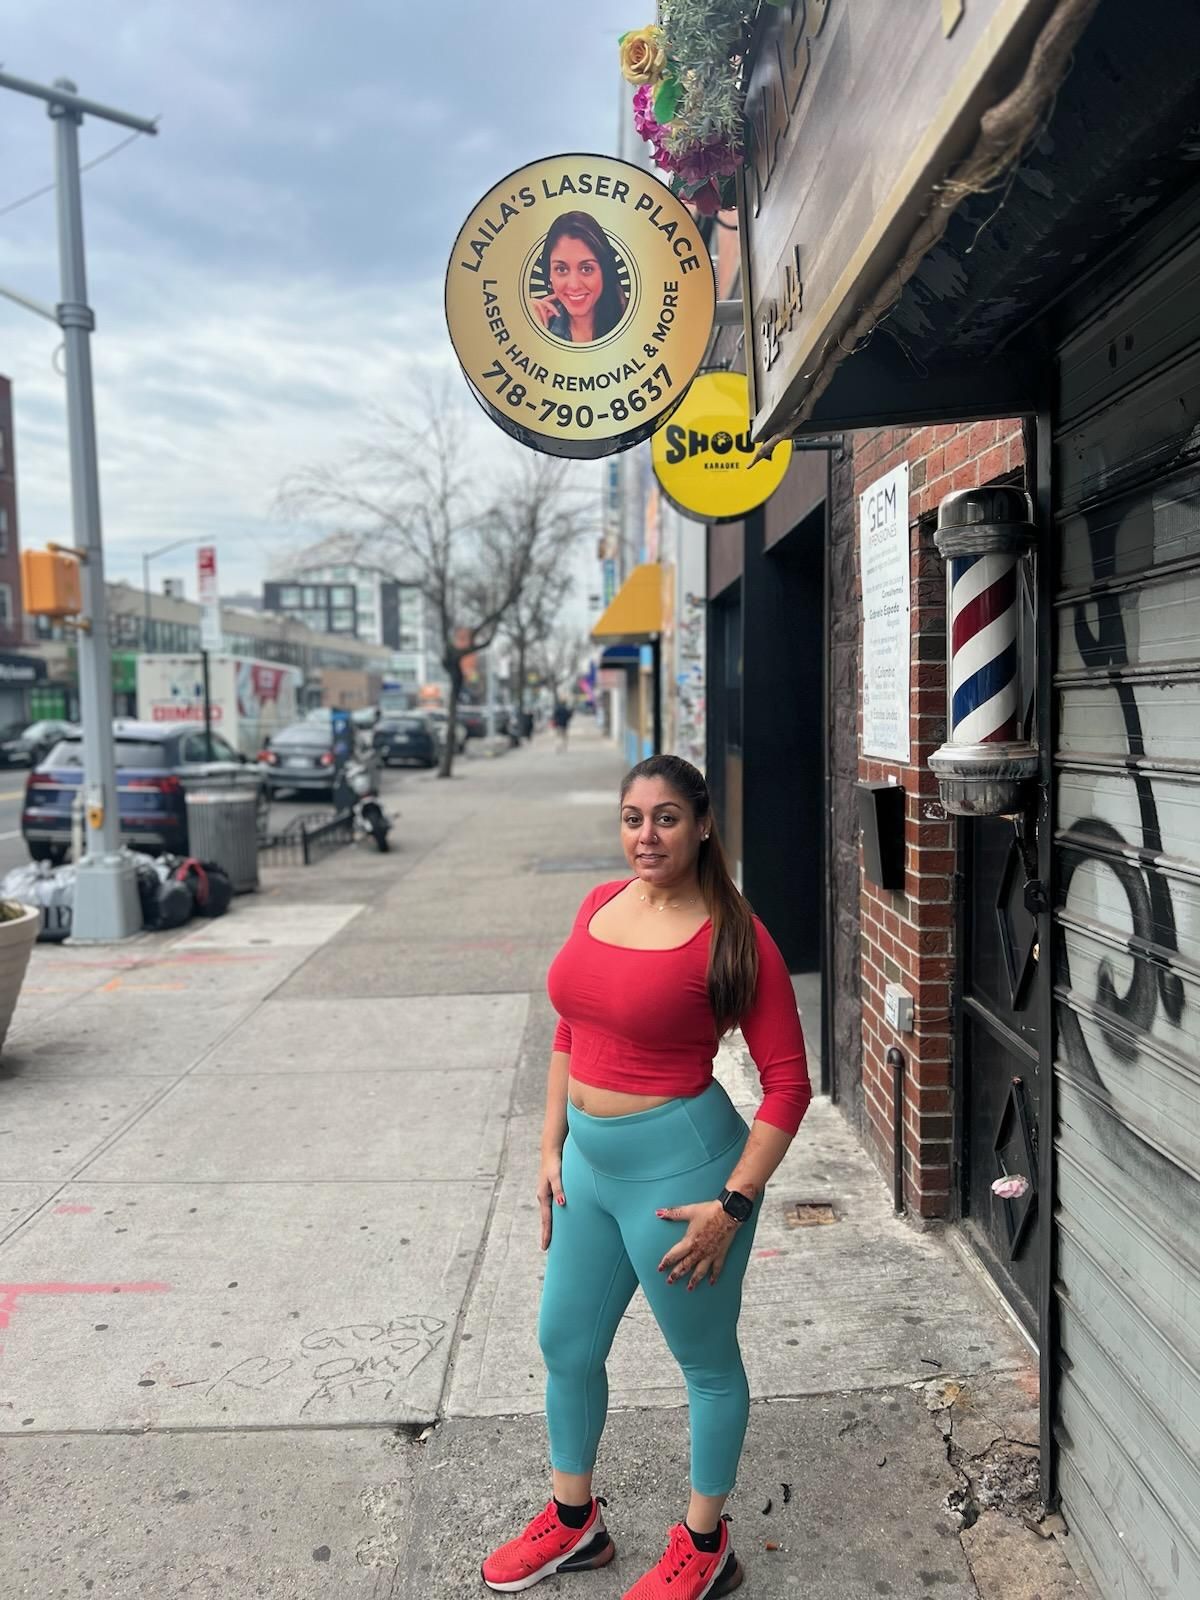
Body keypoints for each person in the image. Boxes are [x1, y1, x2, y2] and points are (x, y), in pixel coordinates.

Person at [481, 755, 811, 1599]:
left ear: (702, 824)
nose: (646, 835)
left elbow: (788, 1084)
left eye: (666, 817)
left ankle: (707, 1546)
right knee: (565, 1343)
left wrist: (732, 1207)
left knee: (703, 1364)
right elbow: (569, 1028)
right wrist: (550, 1145)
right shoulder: (598, 904)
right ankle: (573, 1525)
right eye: (633, 817)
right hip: (589, 1169)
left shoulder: (736, 935)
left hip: (683, 1177)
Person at [529, 211, 628, 345]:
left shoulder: (636, 326)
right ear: (549, 274)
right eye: (561, 269)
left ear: (604, 271)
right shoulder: (541, 326)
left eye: (586, 269)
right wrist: (526, 331)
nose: (574, 285)